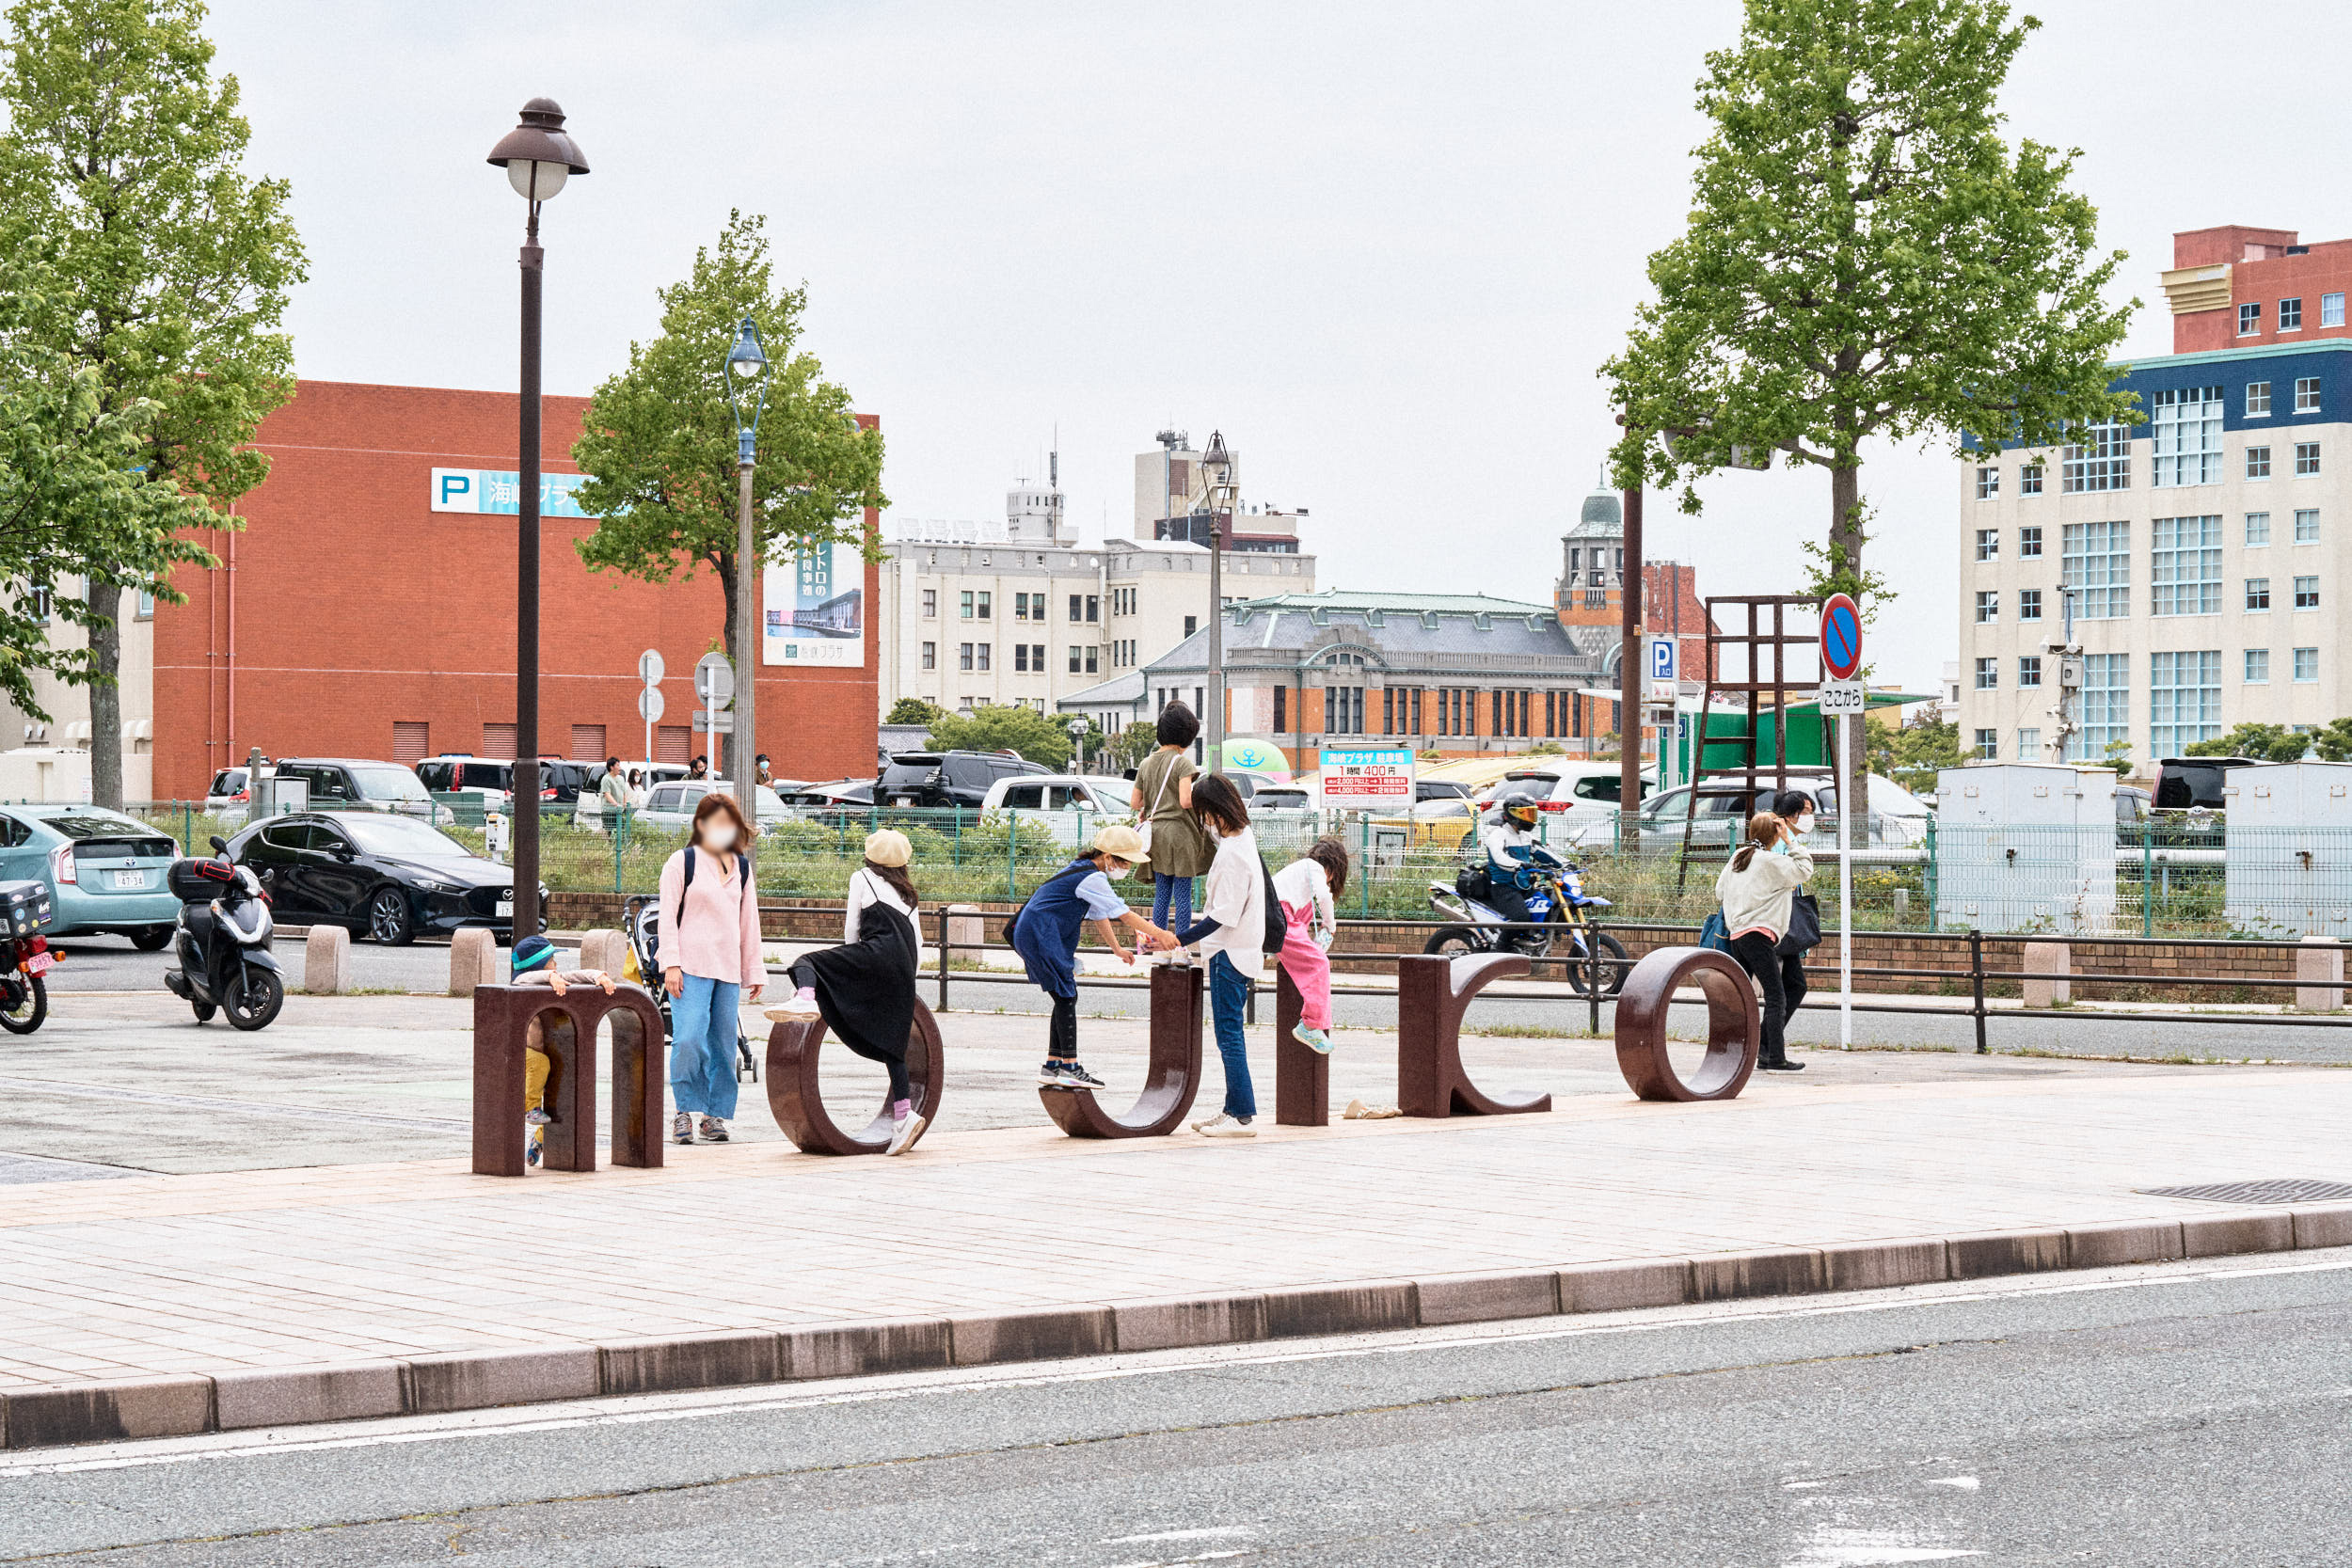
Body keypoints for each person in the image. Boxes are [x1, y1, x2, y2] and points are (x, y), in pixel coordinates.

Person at [771, 831, 930, 1155]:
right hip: (903, 970)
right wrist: (904, 984)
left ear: (870, 857)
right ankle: (903, 1116)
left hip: (873, 954)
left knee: (807, 961)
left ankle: (804, 998)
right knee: (894, 1046)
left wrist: (851, 971)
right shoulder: (909, 894)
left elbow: (852, 929)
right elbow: (919, 941)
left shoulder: (863, 877)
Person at [1011, 824, 1173, 1091]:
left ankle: (1053, 1066)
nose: (1128, 868)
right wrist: (1160, 934)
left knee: (1064, 995)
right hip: (1042, 934)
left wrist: (1117, 949)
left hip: (1036, 933)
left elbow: (1100, 914)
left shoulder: (1086, 871)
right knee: (1066, 996)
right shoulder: (1093, 878)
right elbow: (1124, 914)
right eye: (1125, 862)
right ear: (1107, 857)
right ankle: (1070, 1068)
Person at [656, 793, 767, 1143]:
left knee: (723, 1045)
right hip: (688, 967)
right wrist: (670, 963)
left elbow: (749, 923)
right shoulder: (681, 862)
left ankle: (714, 1115)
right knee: (688, 1039)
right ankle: (683, 1111)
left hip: (728, 971)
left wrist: (755, 971)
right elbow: (667, 919)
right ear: (701, 826)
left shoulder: (741, 867)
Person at [1167, 775, 1266, 1138]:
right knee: (1230, 1032)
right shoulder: (1243, 839)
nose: (1204, 821)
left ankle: (1240, 1115)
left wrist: (1177, 939)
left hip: (1229, 953)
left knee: (1228, 1034)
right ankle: (1235, 1110)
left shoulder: (1232, 855)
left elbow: (1220, 916)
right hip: (1236, 951)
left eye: (1205, 813)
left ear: (1216, 811)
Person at [1714, 811, 1815, 1072]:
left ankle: (1744, 1051)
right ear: (1775, 833)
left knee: (1740, 996)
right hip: (1759, 935)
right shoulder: (1770, 861)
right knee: (1775, 997)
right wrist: (1790, 841)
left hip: (1738, 935)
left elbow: (1719, 891)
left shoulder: (1738, 857)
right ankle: (1775, 1058)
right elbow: (1805, 870)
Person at [508, 933, 620, 1165]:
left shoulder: (555, 978)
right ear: (540, 965)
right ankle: (529, 1108)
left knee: (560, 1093)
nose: (556, 966)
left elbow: (574, 975)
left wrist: (597, 975)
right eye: (552, 961)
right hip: (526, 1051)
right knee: (541, 1065)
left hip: (547, 1051)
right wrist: (548, 975)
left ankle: (541, 1137)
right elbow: (523, 980)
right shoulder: (524, 983)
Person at [1130, 702, 1214, 947]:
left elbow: (1136, 802)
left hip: (1156, 835)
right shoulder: (1182, 763)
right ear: (1187, 735)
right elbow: (1186, 800)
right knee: (1183, 896)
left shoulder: (1146, 763)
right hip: (1180, 835)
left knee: (1162, 894)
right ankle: (1180, 945)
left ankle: (1156, 942)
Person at [1272, 838, 1348, 1054]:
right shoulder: (1314, 867)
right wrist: (1330, 925)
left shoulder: (1298, 874)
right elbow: (1324, 896)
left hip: (1275, 917)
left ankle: (1277, 950)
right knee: (1319, 965)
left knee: (1306, 908)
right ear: (1332, 869)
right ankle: (1310, 1025)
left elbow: (1305, 910)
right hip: (1280, 918)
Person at [1481, 795, 1564, 951]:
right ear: (1512, 814)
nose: (1530, 818)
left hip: (1524, 887)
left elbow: (1542, 852)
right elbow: (1499, 858)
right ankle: (1499, 950)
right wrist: (1519, 865)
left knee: (1546, 907)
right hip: (1504, 888)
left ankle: (1529, 942)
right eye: (1525, 814)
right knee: (1521, 918)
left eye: (1531, 814)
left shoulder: (1525, 836)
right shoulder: (1498, 834)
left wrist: (1565, 864)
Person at [1772, 789, 1823, 1021]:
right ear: (1792, 815)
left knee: (1789, 987)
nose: (1810, 818)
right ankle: (1766, 1045)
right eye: (1807, 812)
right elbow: (1798, 873)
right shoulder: (1778, 842)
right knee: (1791, 987)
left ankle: (1766, 1044)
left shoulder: (1789, 840)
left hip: (1784, 922)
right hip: (1777, 921)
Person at [597, 756, 630, 826]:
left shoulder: (621, 778)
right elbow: (607, 794)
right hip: (609, 811)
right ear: (612, 767)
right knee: (611, 832)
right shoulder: (606, 779)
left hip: (619, 811)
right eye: (617, 765)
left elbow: (624, 793)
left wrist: (624, 805)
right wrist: (616, 804)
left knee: (621, 830)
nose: (620, 768)